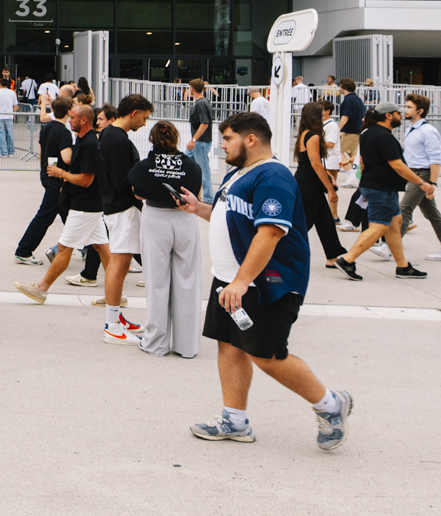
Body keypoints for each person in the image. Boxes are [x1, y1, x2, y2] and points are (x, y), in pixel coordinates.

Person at [178, 112, 352, 450]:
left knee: (268, 354)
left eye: (228, 139)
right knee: (229, 345)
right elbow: (232, 213)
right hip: (231, 281)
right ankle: (235, 420)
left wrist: (242, 282)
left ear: (251, 139)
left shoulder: (273, 176)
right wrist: (200, 208)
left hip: (264, 283)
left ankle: (331, 405)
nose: (223, 146)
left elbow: (270, 232)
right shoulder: (239, 173)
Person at [331, 103, 430, 281]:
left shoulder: (368, 133)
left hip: (376, 186)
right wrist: (422, 183)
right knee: (379, 227)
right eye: (398, 113)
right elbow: (398, 165)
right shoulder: (384, 137)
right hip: (381, 188)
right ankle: (347, 260)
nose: (401, 115)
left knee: (395, 223)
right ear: (389, 116)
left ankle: (403, 266)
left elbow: (362, 162)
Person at [129, 119, 203, 358]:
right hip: (185, 220)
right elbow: (198, 195)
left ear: (152, 139)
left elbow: (138, 192)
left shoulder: (144, 166)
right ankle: (187, 345)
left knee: (157, 281)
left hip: (156, 219)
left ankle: (156, 343)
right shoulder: (191, 165)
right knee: (188, 280)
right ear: (176, 139)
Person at [95, 94, 153, 340]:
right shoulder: (118, 139)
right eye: (145, 117)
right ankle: (111, 325)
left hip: (115, 206)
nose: (144, 123)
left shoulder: (111, 134)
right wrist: (140, 190)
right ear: (134, 112)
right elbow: (121, 180)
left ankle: (115, 317)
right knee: (119, 265)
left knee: (120, 264)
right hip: (122, 208)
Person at [396, 92, 441, 261]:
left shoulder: (428, 131)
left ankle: (390, 246)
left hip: (423, 173)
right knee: (432, 213)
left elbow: (435, 160)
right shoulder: (411, 128)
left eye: (409, 107)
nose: (405, 110)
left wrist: (431, 183)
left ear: (420, 111)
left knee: (405, 208)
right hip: (414, 173)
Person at [14, 97, 75, 264]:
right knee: (46, 215)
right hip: (58, 177)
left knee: (68, 214)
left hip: (47, 173)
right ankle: (24, 250)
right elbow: (67, 158)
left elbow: (41, 151)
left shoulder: (47, 128)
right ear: (69, 112)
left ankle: (87, 247)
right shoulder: (64, 132)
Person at [292, 101, 346, 269]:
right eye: (321, 113)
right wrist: (330, 190)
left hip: (306, 178)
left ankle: (333, 256)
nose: (324, 115)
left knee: (325, 220)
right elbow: (315, 164)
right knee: (304, 222)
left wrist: (328, 174)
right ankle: (282, 250)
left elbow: (312, 162)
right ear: (315, 115)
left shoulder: (305, 133)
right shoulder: (313, 136)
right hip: (309, 181)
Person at [0, 77, 17, 158]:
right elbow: (15, 105)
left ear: (0, 84)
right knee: (10, 134)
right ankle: (11, 151)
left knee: (1, 135)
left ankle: (4, 152)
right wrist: (14, 115)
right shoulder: (12, 93)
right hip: (9, 115)